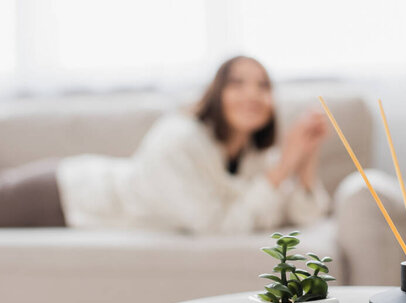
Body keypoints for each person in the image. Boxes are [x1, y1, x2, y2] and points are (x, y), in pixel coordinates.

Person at [0, 56, 331, 234]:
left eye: (263, 86)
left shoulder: (255, 159)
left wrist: (306, 155)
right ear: (216, 93)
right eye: (237, 83)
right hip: (64, 191)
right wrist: (285, 165)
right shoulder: (177, 139)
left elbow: (303, 214)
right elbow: (216, 225)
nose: (252, 95)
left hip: (72, 203)